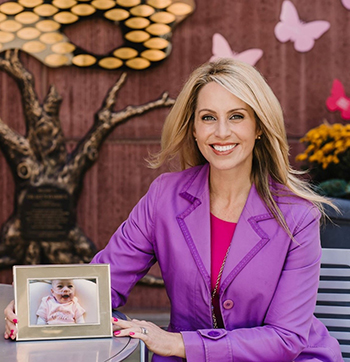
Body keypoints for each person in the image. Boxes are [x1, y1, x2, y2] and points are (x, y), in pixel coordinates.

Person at [4, 58, 343, 361]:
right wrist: (34, 309)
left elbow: (286, 339)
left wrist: (180, 344)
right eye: (208, 117)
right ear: (193, 129)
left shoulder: (298, 215)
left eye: (236, 116)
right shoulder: (165, 196)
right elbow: (104, 282)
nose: (221, 132)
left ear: (258, 128)